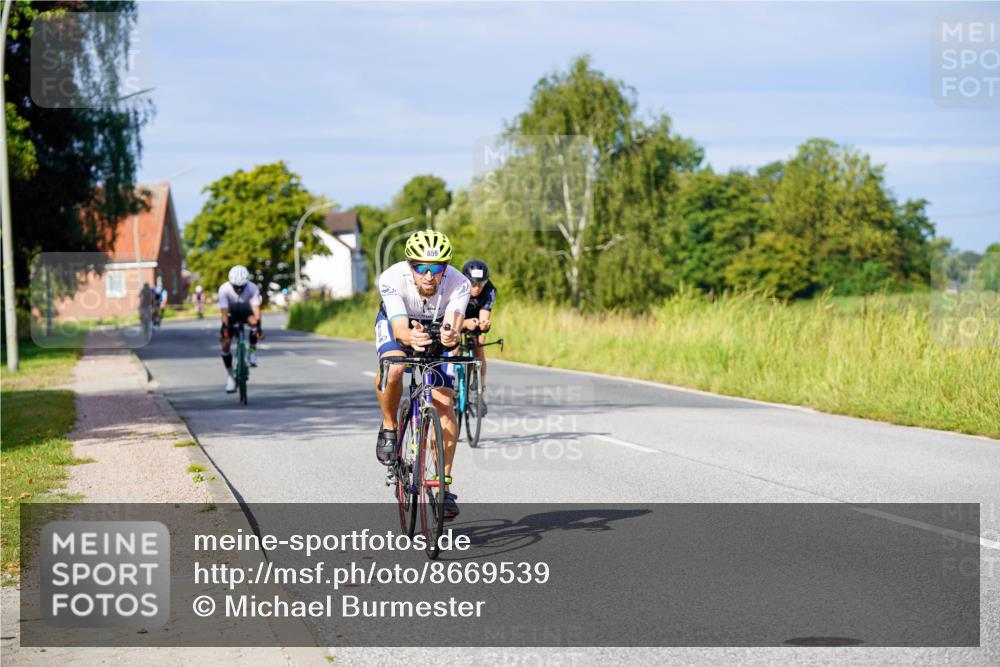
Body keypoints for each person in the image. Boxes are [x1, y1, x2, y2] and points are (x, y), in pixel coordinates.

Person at [374, 230, 470, 519]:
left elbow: (454, 323)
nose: (429, 275)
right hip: (398, 322)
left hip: (437, 323)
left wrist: (451, 335)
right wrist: (408, 337)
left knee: (444, 400)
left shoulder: (460, 282)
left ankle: (443, 487)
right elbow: (400, 326)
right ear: (410, 266)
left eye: (437, 268)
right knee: (395, 368)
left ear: (446, 268)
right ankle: (390, 425)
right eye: (422, 268)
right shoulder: (391, 278)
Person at [218, 265, 262, 393]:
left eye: (241, 287)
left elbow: (256, 309)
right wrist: (225, 328)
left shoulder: (252, 288)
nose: (238, 290)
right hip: (230, 314)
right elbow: (224, 312)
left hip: (245, 311)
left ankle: (252, 351)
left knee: (254, 323)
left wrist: (258, 327)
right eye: (235, 287)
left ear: (246, 284)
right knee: (225, 344)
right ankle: (230, 377)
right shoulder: (224, 289)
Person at [460, 259, 496, 416]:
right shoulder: (457, 287)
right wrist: (465, 323)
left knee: (479, 345)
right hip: (457, 316)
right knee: (452, 343)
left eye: (480, 284)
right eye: (473, 284)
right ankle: (452, 381)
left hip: (475, 317)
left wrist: (484, 324)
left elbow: (484, 315)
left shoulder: (489, 290)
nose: (476, 288)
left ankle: (478, 391)